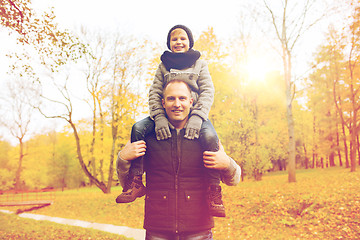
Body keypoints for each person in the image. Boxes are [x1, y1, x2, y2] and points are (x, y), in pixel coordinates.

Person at [116, 24, 224, 217]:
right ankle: (136, 182)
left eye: (183, 38)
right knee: (138, 128)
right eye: (174, 39)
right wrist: (158, 118)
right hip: (165, 115)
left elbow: (208, 91)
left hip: (195, 114)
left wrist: (198, 117)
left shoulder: (199, 64)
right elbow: (155, 92)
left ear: (190, 42)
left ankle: (213, 191)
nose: (179, 42)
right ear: (169, 43)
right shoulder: (163, 65)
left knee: (211, 136)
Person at [116, 80, 241, 239]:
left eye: (182, 98)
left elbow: (234, 180)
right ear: (163, 102)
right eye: (171, 98)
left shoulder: (206, 135)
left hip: (199, 229)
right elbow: (127, 184)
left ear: (191, 101)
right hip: (157, 229)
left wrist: (228, 164)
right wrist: (123, 158)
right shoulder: (147, 136)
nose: (177, 104)